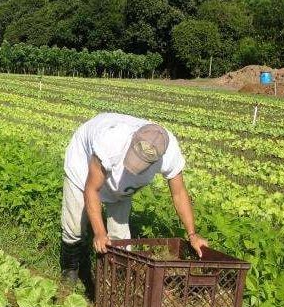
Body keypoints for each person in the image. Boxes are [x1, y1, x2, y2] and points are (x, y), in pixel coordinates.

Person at [61, 112, 208, 281]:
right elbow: (91, 189)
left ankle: (117, 278)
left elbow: (179, 193)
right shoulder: (110, 142)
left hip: (124, 187)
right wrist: (100, 232)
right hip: (83, 167)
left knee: (121, 236)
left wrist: (192, 234)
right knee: (74, 226)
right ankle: (70, 268)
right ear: (132, 140)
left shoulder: (169, 152)